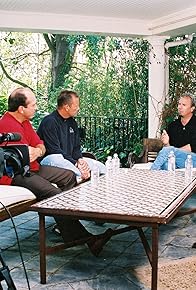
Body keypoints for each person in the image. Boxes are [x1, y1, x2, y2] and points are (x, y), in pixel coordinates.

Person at [0, 87, 113, 256]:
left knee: (68, 176)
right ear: (21, 108)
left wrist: (37, 151)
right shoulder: (6, 124)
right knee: (54, 194)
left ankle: (67, 229)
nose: (36, 107)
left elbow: (40, 146)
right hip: (15, 175)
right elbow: (23, 157)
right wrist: (34, 151)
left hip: (33, 168)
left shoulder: (25, 122)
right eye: (33, 104)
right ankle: (87, 239)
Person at [37, 89, 106, 181]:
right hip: (51, 160)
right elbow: (54, 150)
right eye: (76, 106)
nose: (78, 108)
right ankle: (79, 175)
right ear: (66, 107)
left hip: (70, 160)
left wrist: (80, 160)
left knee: (100, 167)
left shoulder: (72, 122)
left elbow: (76, 147)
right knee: (57, 158)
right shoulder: (50, 122)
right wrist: (76, 164)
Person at [151, 93, 196, 170]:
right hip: (177, 160)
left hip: (192, 159)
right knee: (165, 165)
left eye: (184, 105)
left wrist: (170, 150)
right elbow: (169, 151)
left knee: (169, 151)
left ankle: (150, 173)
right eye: (179, 104)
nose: (180, 107)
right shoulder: (173, 126)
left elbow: (191, 147)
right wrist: (166, 143)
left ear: (192, 108)